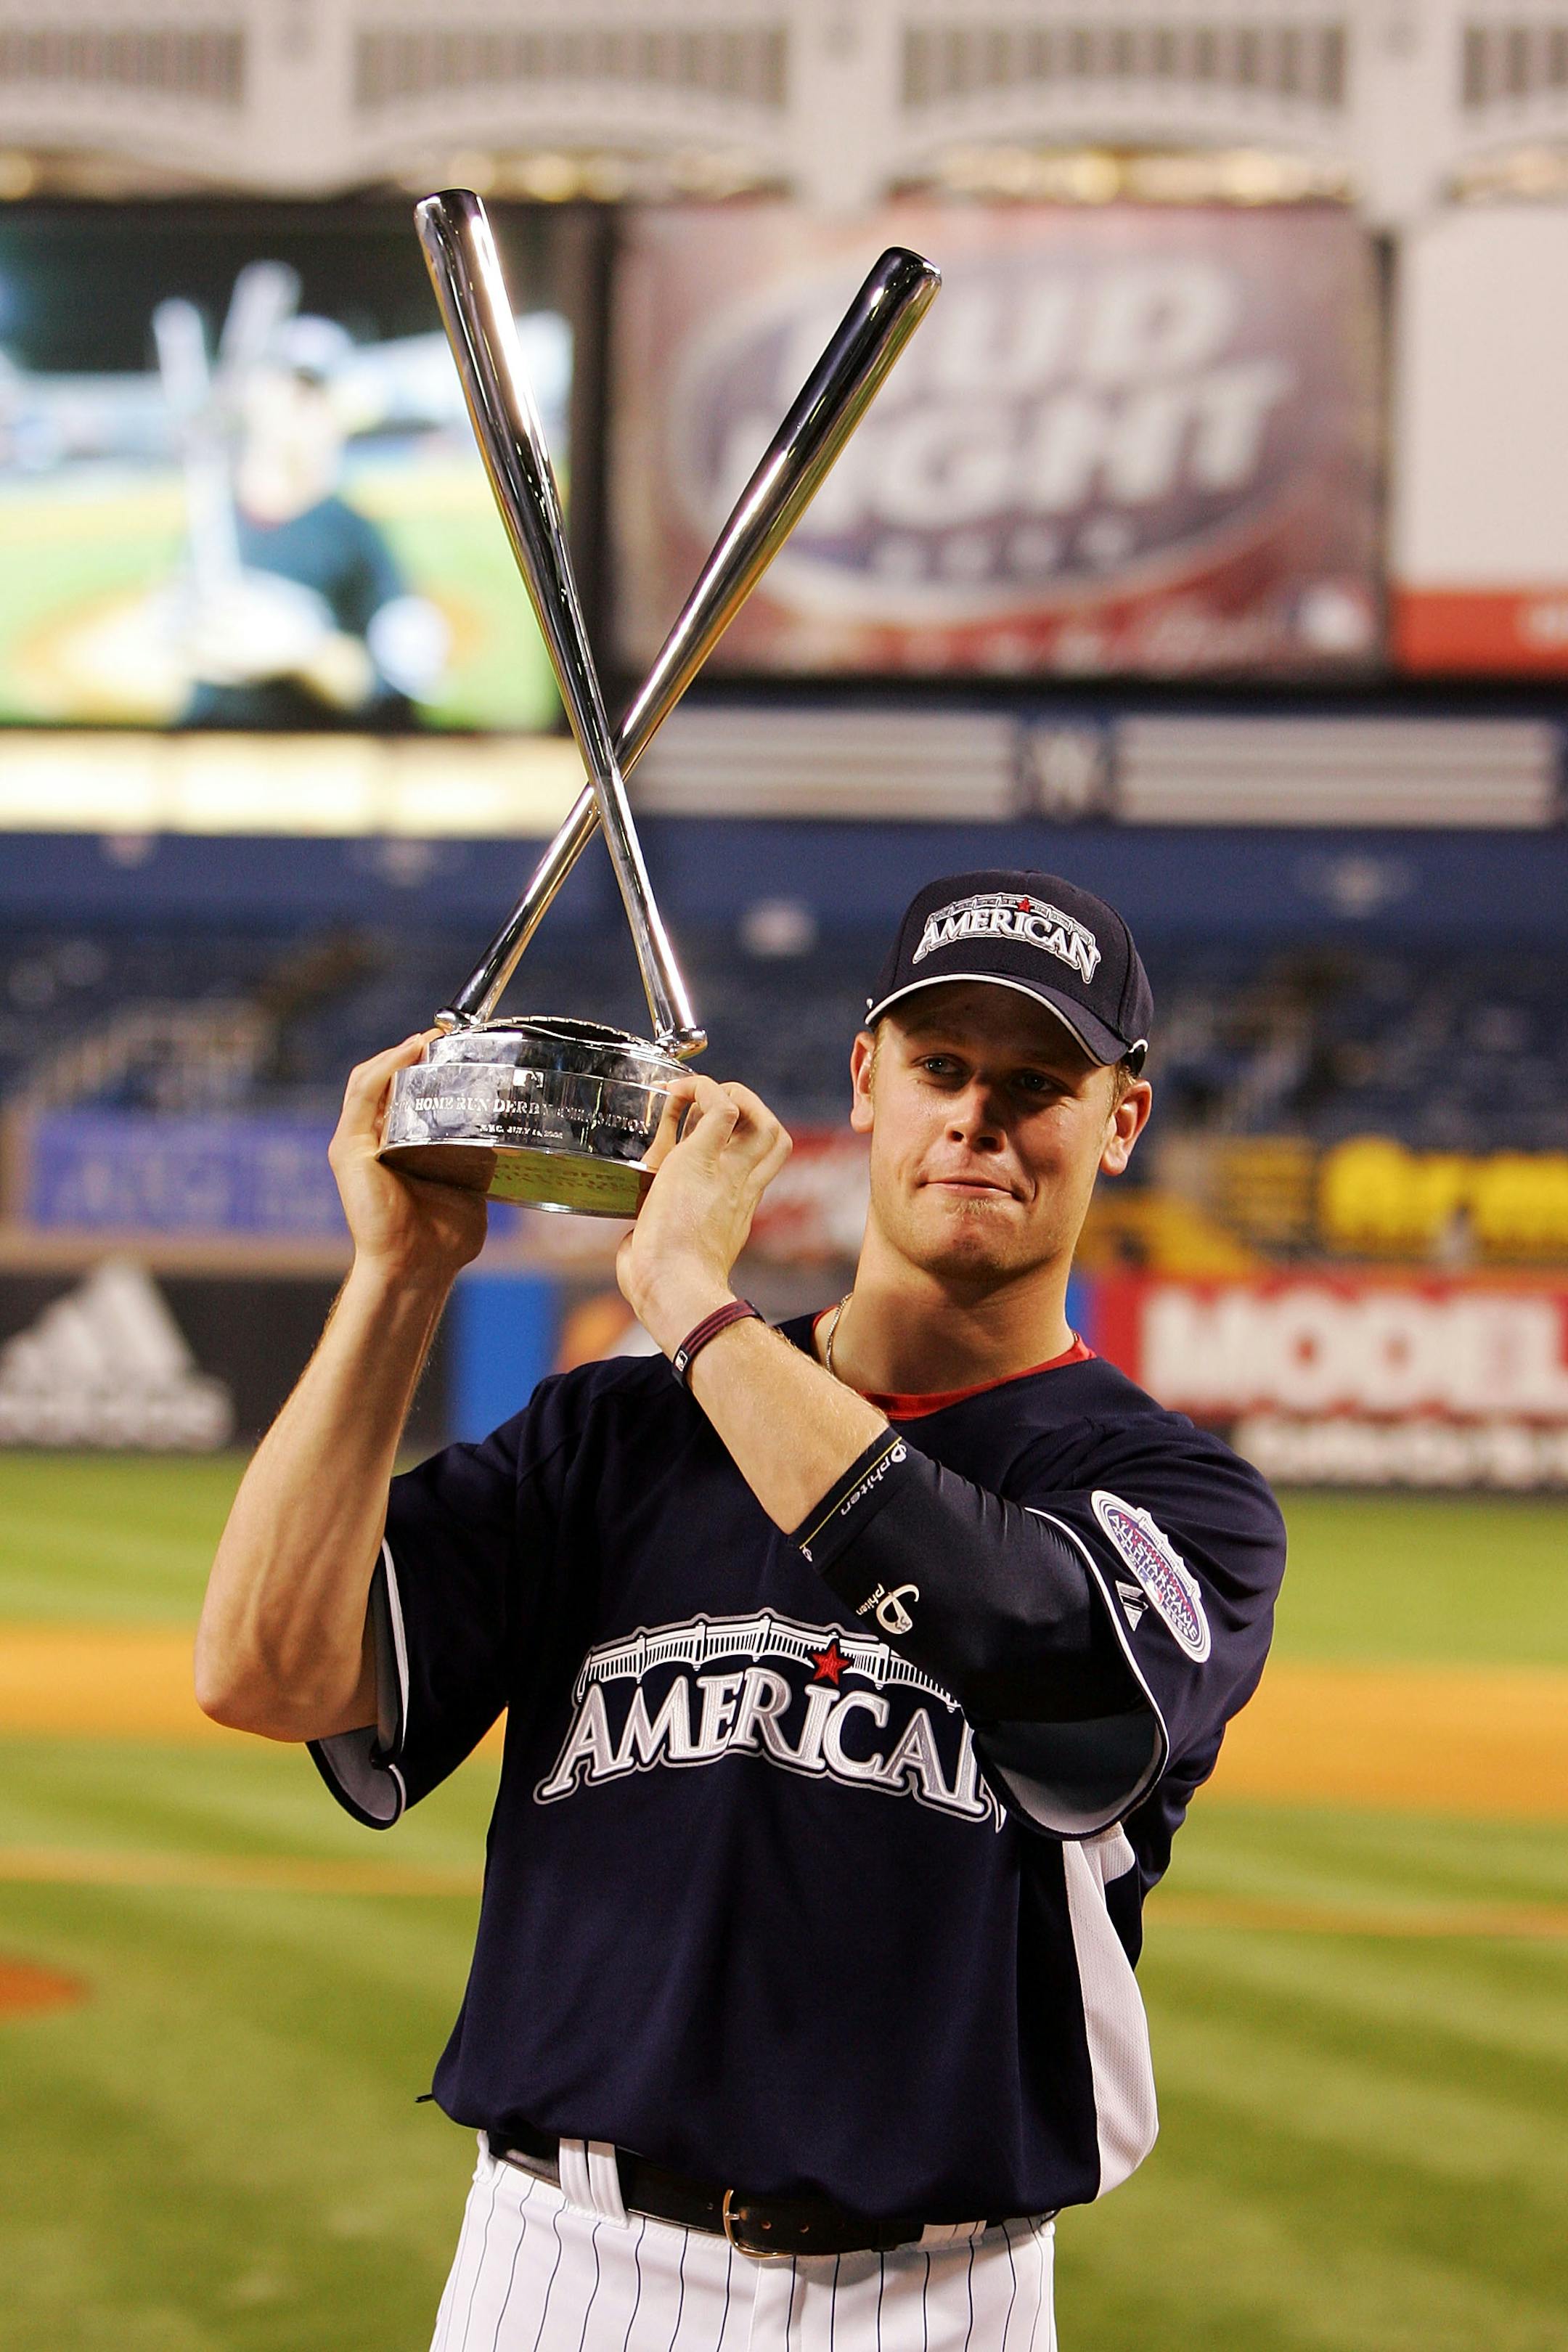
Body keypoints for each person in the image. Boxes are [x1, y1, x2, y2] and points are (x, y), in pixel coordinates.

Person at [196, 867, 1286, 2352]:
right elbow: (264, 1672)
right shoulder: (611, 1443)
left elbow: (1038, 1641)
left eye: (1038, 1082)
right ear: (869, 1080)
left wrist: (692, 1304)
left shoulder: (1173, 1501)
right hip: (560, 2271)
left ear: (1122, 1121)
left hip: (938, 2298)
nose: (978, 1117)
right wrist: (402, 1275)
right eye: (942, 1068)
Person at [178, 314, 448, 729]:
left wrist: (304, 650)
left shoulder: (352, 535)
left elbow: (392, 692)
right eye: (287, 389)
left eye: (314, 396)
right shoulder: (214, 522)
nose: (297, 409)